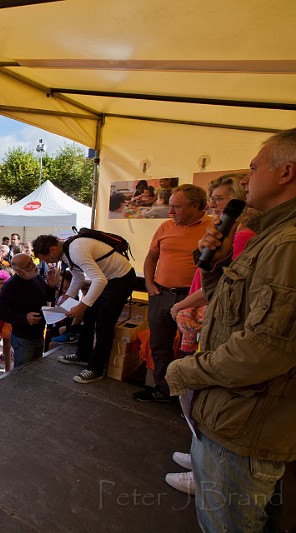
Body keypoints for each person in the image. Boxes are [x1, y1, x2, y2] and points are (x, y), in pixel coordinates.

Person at [166, 128, 296, 531]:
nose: (245, 179)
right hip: (237, 416)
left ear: (286, 172)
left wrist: (183, 372)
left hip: (244, 422)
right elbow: (231, 308)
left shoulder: (287, 244)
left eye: (254, 169)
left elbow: (263, 349)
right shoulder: (269, 237)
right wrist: (215, 264)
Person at [138, 184, 211, 402]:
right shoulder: (165, 227)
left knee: (189, 350)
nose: (171, 212)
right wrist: (150, 286)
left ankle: (185, 397)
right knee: (159, 344)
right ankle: (163, 388)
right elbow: (151, 257)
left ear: (196, 206)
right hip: (161, 295)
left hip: (192, 300)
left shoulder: (213, 227)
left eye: (177, 207)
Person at [32, 233, 135, 384]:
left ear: (53, 249)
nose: (48, 263)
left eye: (47, 259)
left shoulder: (76, 250)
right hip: (108, 280)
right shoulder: (66, 251)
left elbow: (99, 280)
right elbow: (78, 276)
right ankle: (83, 355)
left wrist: (81, 305)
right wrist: (67, 297)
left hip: (120, 279)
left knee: (104, 324)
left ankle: (96, 369)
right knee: (89, 316)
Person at [0, 254, 53, 367]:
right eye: (28, 265)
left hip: (38, 334)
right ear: (20, 271)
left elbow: (46, 298)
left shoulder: (36, 277)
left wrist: (51, 286)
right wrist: (24, 318)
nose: (33, 265)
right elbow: (0, 311)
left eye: (31, 261)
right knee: (22, 375)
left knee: (35, 371)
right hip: (23, 338)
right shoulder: (10, 286)